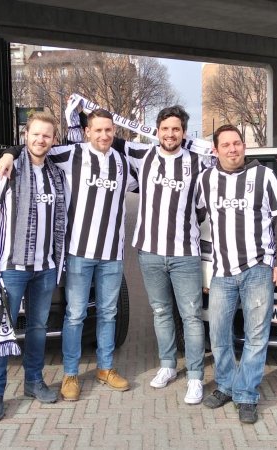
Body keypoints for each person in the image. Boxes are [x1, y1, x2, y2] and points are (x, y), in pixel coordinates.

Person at [0, 109, 138, 402]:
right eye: (97, 130)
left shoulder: (123, 162)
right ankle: (71, 373)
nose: (103, 135)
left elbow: (154, 166)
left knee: (109, 313)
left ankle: (106, 368)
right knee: (75, 315)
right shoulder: (70, 155)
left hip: (112, 253)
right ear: (86, 132)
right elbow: (36, 146)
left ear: (114, 132)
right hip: (78, 253)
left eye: (108, 130)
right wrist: (9, 153)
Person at [195, 124, 277, 424]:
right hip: (222, 273)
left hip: (258, 270)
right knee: (218, 334)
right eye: (226, 145)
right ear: (216, 150)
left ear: (243, 146)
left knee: (256, 336)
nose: (232, 149)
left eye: (237, 143)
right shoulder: (206, 179)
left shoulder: (263, 177)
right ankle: (225, 385)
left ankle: (246, 394)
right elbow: (196, 216)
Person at [111, 106, 208, 404]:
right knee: (161, 311)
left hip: (185, 254)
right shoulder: (144, 156)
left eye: (176, 129)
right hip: (150, 253)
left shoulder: (198, 162)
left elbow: (203, 207)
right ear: (157, 130)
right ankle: (167, 366)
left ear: (184, 132)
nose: (170, 134)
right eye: (165, 129)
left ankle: (195, 376)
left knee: (191, 315)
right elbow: (110, 140)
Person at [0, 112, 67, 421]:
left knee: (38, 328)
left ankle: (33, 382)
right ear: (25, 135)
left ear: (54, 139)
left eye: (47, 135)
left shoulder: (57, 174)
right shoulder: (7, 169)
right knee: (1, 331)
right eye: (36, 134)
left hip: (45, 267)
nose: (41, 140)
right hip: (10, 267)